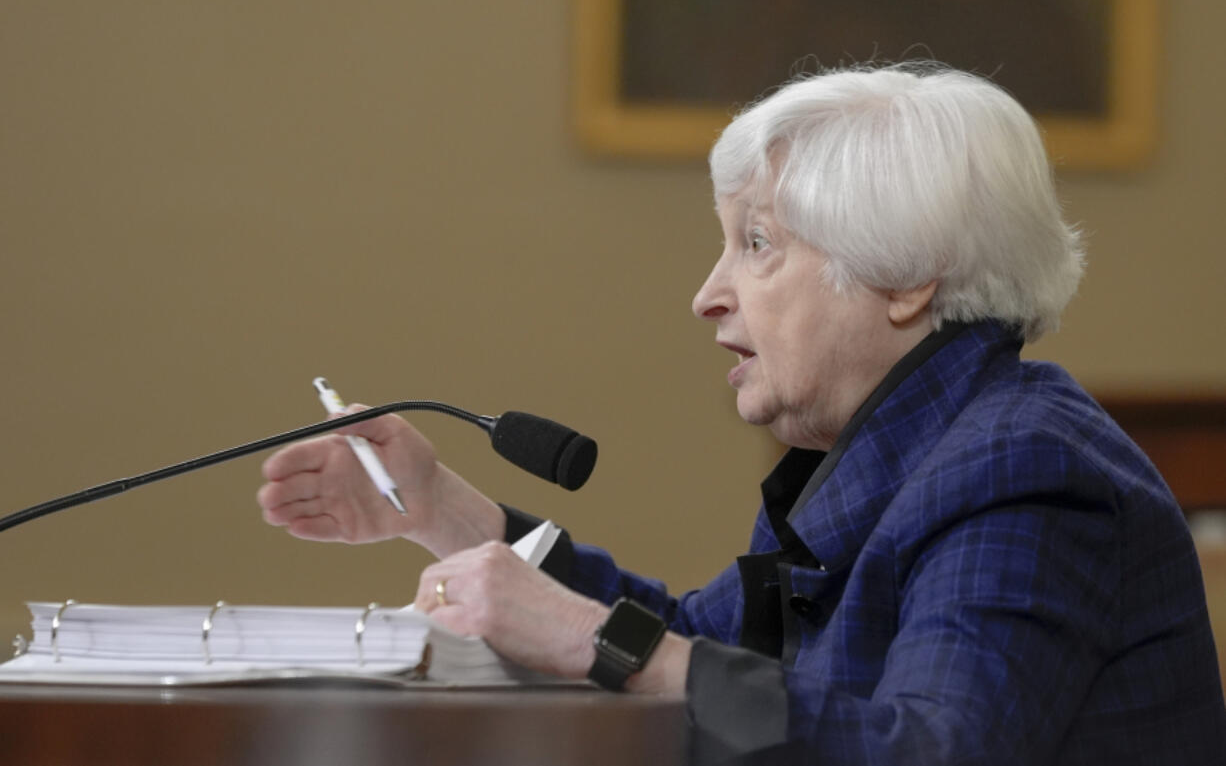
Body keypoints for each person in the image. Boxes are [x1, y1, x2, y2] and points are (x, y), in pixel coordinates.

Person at [257, 64, 1226, 764]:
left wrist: (599, 643)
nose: (707, 294)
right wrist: (438, 511)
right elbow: (693, 642)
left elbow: (929, 751)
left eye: (755, 243)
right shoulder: (893, 450)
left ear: (902, 276)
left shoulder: (1020, 471)